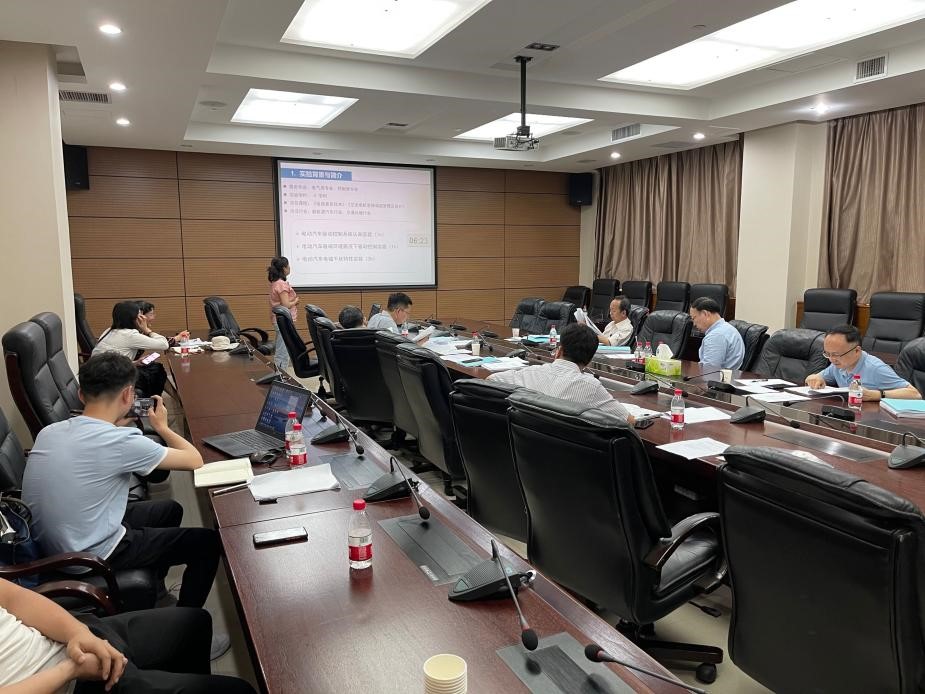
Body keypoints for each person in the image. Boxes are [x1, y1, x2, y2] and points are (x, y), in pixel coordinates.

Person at [22, 353, 221, 611]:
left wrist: (117, 424)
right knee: (206, 543)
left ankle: (156, 591)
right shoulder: (121, 441)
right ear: (129, 395)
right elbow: (194, 460)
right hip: (88, 555)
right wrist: (162, 427)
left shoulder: (49, 432)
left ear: (81, 394)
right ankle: (187, 617)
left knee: (169, 510)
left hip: (55, 545)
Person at [0, 576, 255, 693]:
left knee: (194, 623)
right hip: (62, 680)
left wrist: (77, 633)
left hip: (59, 644)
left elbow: (14, 598)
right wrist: (70, 670)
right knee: (237, 692)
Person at [488, 323, 634, 423]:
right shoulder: (591, 386)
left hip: (525, 452)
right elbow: (628, 421)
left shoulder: (531, 372)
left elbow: (490, 379)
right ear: (589, 361)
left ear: (559, 351)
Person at [805, 324, 921, 400]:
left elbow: (915, 394)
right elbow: (819, 377)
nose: (831, 359)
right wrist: (814, 378)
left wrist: (877, 395)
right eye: (827, 354)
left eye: (836, 354)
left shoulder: (876, 368)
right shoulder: (837, 365)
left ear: (857, 351)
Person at [93, 301, 178, 396]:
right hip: (112, 379)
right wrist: (147, 330)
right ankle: (156, 401)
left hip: (97, 374)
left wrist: (135, 363)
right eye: (140, 316)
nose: (143, 318)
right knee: (154, 371)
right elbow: (164, 344)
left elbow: (111, 361)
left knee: (154, 367)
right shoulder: (130, 335)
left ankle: (173, 398)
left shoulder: (109, 330)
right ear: (133, 318)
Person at [689, 296, 745, 369]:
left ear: (705, 314)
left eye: (694, 318)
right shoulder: (728, 328)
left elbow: (709, 371)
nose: (694, 324)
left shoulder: (716, 336)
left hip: (718, 376)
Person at [268, 257, 298, 370]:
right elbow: (286, 305)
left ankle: (279, 374)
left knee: (282, 349)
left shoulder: (275, 283)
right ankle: (280, 376)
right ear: (284, 268)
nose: (289, 267)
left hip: (280, 320)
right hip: (283, 321)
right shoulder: (281, 284)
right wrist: (295, 301)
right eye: (288, 265)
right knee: (282, 352)